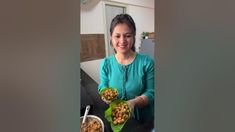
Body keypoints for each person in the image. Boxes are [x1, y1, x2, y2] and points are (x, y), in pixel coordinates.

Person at [98, 13, 154, 122]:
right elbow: (103, 85)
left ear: (133, 37)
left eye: (127, 35)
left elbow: (151, 92)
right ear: (111, 37)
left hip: (142, 121)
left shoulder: (147, 62)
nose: (122, 41)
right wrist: (105, 93)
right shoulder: (106, 64)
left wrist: (134, 102)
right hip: (116, 117)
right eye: (117, 36)